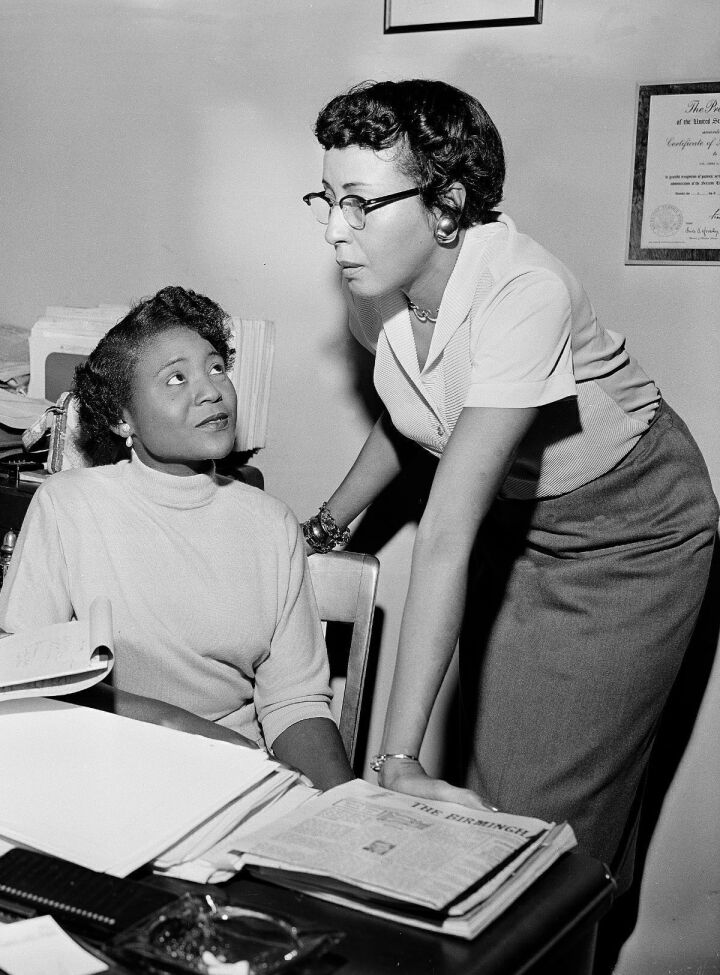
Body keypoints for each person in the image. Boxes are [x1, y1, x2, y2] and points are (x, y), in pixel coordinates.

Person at [302, 79, 718, 883]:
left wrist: (393, 755)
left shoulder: (526, 291)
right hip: (519, 518)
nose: (334, 232)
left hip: (632, 530)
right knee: (490, 801)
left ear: (448, 205)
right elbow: (422, 417)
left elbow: (448, 526)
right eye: (324, 200)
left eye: (358, 203)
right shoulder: (375, 288)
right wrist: (323, 525)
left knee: (544, 822)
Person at [0, 286, 354, 791]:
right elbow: (29, 678)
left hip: (233, 778)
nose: (211, 391)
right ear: (124, 418)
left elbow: (294, 704)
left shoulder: (271, 524)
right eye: (176, 378)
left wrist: (342, 807)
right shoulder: (68, 504)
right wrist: (184, 729)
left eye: (216, 368)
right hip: (99, 771)